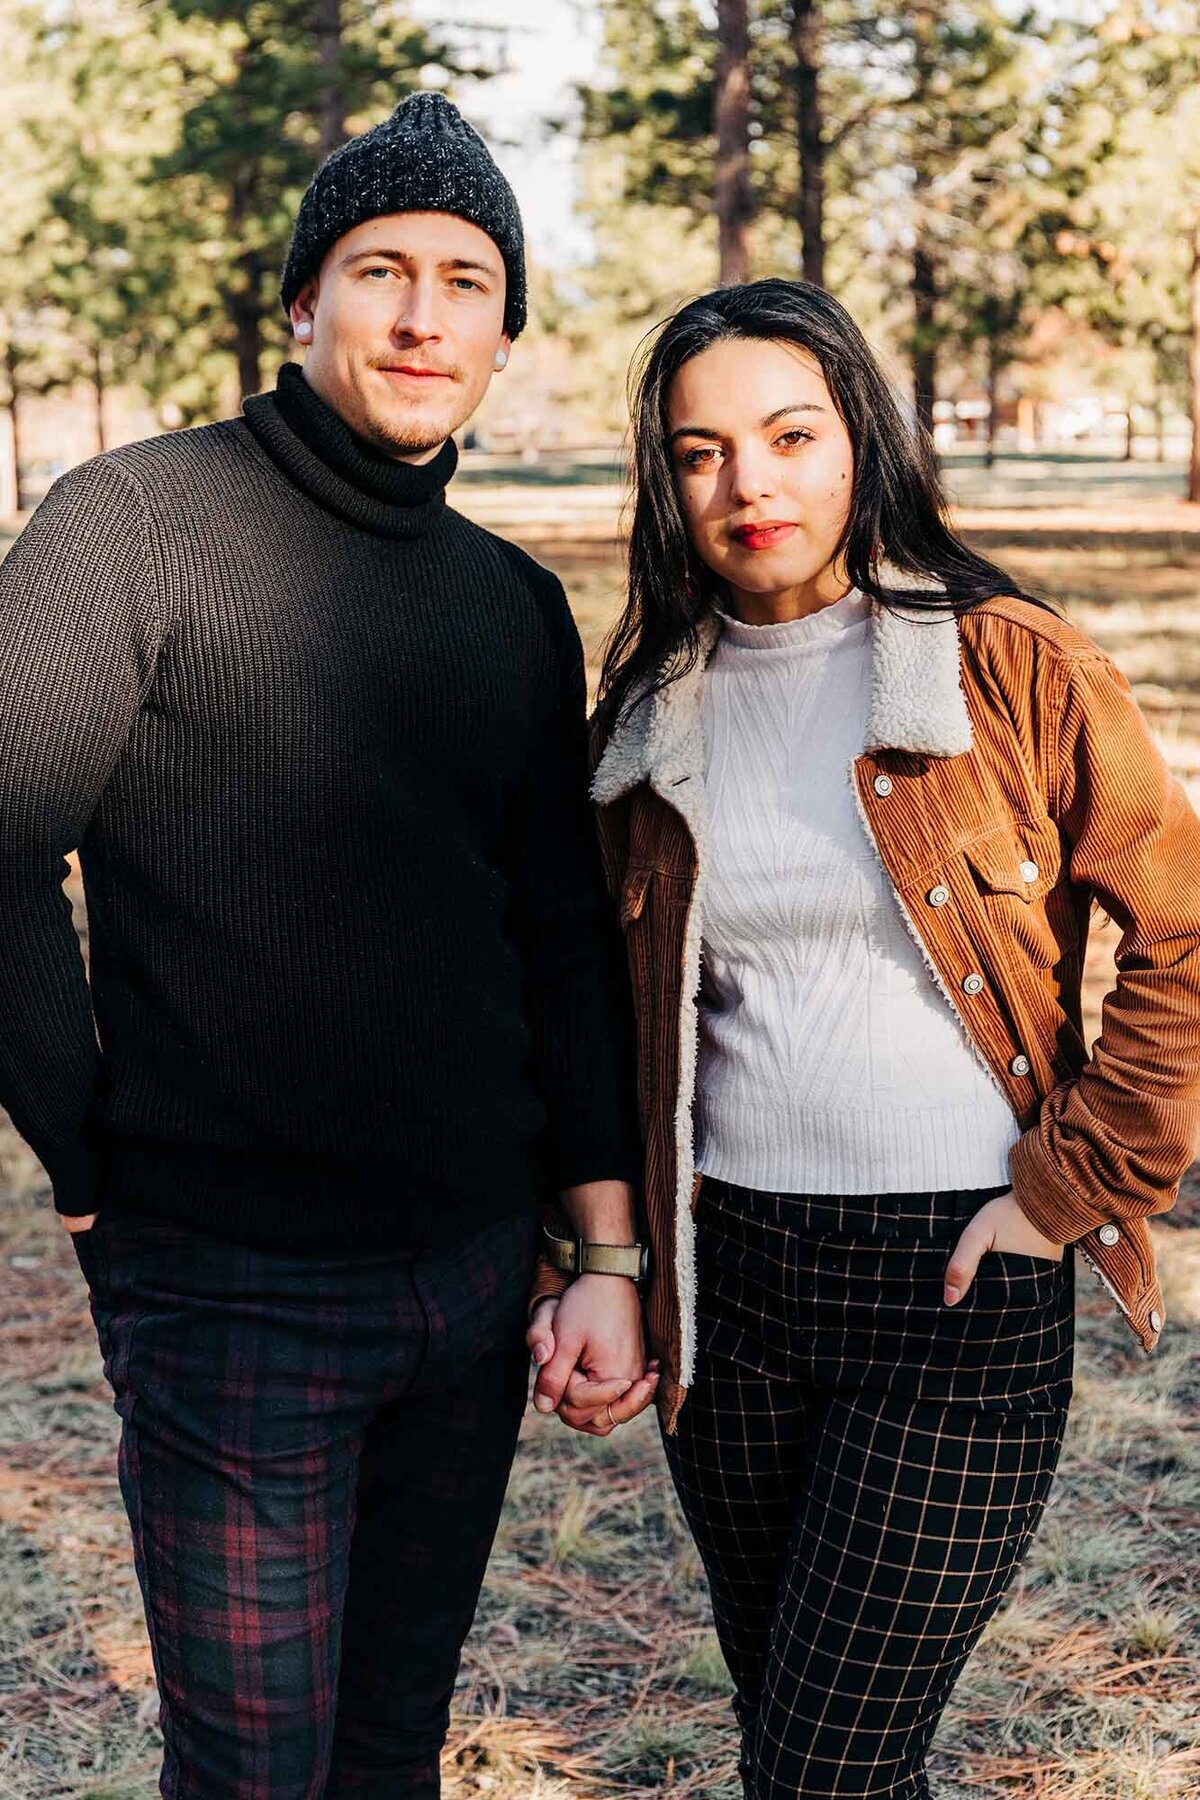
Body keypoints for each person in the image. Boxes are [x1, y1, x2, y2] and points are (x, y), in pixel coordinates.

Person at [0, 92, 654, 1798]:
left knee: (387, 1756)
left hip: (469, 1283)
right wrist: (89, 1168)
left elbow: (560, 939)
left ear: (508, 333)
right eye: (380, 270)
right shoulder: (130, 526)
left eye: (466, 279)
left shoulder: (509, 603)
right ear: (303, 302)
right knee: (254, 1777)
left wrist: (603, 1250)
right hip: (229, 1284)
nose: (425, 314)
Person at [528, 278, 1200, 1798]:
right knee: (806, 1743)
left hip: (955, 1287)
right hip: (736, 1284)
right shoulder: (649, 716)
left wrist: (1070, 1189)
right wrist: (604, 1262)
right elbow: (601, 1009)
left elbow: (1183, 932)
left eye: (789, 434)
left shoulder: (1008, 664)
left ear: (862, 440)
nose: (748, 484)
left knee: (822, 1765)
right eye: (700, 452)